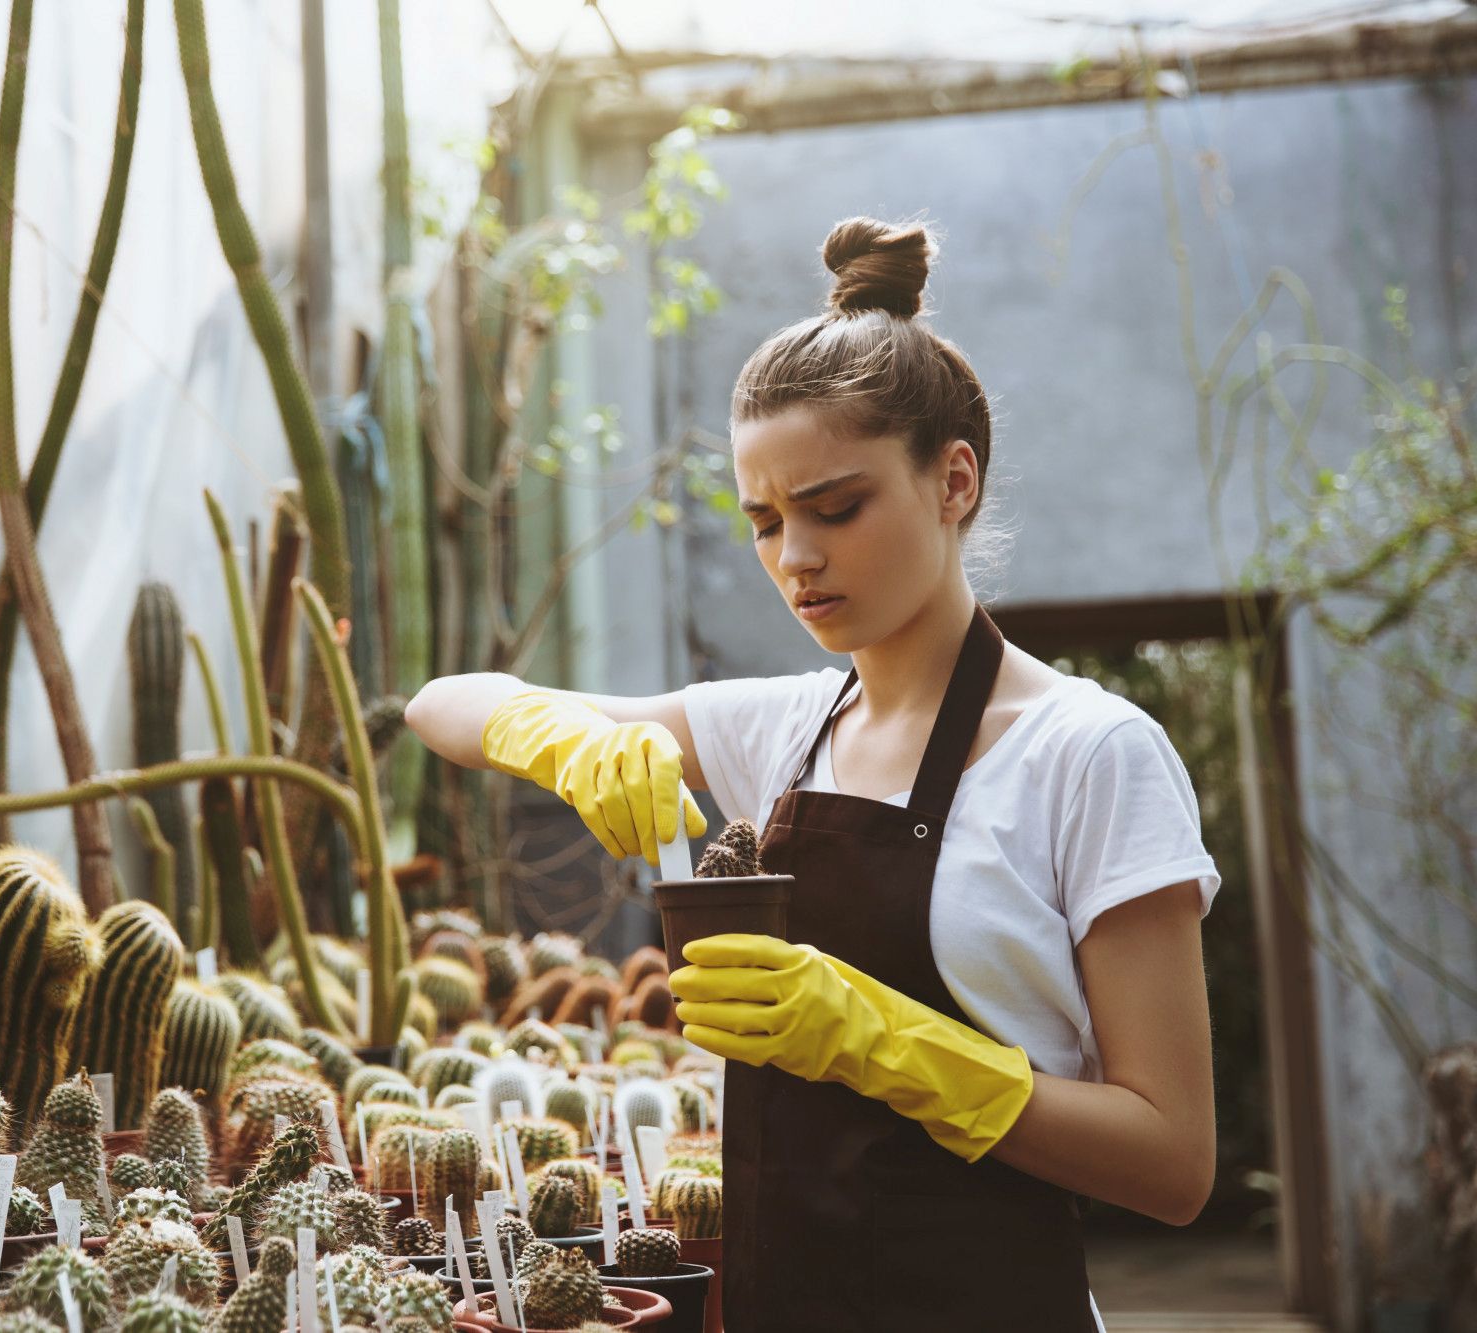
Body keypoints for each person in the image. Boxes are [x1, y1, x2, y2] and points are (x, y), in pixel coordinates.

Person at [403, 215, 1221, 1331]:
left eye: (835, 508)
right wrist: (562, 737)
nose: (795, 557)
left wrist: (888, 1042)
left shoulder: (1087, 752)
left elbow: (1172, 1160)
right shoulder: (778, 731)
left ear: (953, 481)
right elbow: (440, 704)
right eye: (764, 520)